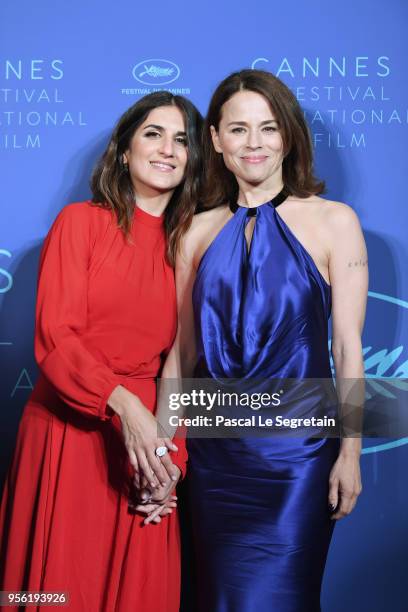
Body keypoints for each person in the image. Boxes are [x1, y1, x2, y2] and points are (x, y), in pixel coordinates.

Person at [149, 70, 367, 611]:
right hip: (214, 459)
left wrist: (352, 453)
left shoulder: (334, 222)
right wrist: (160, 452)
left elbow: (347, 348)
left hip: (298, 457)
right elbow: (181, 355)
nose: (254, 144)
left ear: (287, 138)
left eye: (268, 128)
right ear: (216, 140)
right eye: (238, 129)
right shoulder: (193, 231)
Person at [0, 91, 203, 611]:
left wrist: (170, 460)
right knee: (58, 587)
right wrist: (123, 403)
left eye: (181, 139)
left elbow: (180, 366)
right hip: (69, 430)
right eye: (153, 134)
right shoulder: (81, 223)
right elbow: (56, 338)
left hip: (147, 443)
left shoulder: (193, 245)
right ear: (124, 150)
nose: (167, 149)